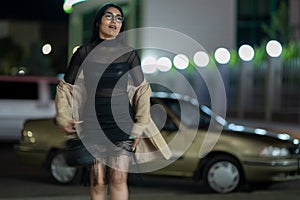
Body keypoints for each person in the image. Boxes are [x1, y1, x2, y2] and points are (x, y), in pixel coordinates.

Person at [55, 3, 172, 200]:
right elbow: (66, 87)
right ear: (98, 22)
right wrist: (64, 116)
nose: (114, 22)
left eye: (119, 18)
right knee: (98, 181)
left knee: (118, 179)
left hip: (122, 123)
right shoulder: (83, 53)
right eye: (109, 16)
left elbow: (142, 90)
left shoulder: (128, 54)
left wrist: (140, 124)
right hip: (92, 124)